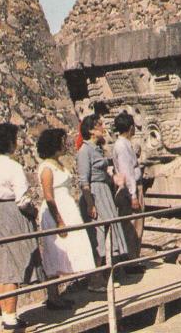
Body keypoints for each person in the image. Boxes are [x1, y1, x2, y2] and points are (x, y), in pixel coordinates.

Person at [0, 123, 57, 330]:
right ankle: (11, 317)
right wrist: (33, 213)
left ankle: (7, 315)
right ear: (10, 142)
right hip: (12, 212)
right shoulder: (13, 166)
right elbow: (22, 200)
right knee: (14, 263)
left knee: (0, 263)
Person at [36, 128, 95, 307]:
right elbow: (48, 196)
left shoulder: (59, 164)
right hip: (56, 211)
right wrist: (59, 221)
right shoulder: (46, 167)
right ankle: (53, 296)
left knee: (70, 250)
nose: (65, 144)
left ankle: (58, 294)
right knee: (55, 251)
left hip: (68, 208)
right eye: (62, 141)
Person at [77, 114, 129, 291]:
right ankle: (95, 280)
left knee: (108, 231)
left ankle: (105, 276)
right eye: (100, 125)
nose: (103, 127)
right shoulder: (85, 151)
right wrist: (90, 203)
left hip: (104, 191)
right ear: (91, 130)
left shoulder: (97, 149)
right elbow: (84, 181)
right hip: (95, 193)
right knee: (98, 234)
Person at [111, 111, 145, 266]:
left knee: (134, 224)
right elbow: (127, 172)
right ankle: (132, 261)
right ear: (131, 127)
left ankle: (133, 259)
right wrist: (133, 195)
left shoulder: (124, 144)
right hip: (131, 188)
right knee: (133, 225)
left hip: (132, 186)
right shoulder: (122, 146)